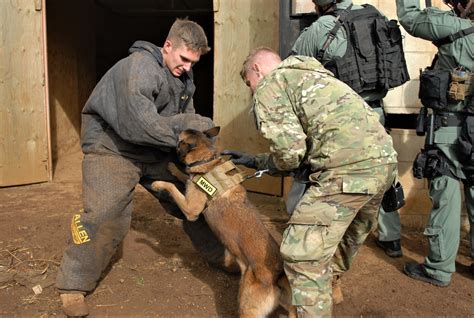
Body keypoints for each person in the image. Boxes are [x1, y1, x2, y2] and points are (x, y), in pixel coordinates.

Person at [56, 18, 233, 317]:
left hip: (154, 150)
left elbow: (185, 118)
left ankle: (224, 256)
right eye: (184, 59)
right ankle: (74, 283)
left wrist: (202, 153)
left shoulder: (183, 78)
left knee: (199, 197)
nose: (188, 67)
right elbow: (139, 126)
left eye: (194, 62)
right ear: (167, 46)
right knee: (104, 212)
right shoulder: (139, 66)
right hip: (113, 149)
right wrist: (189, 129)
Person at [225, 47, 398, 317]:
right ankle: (327, 290)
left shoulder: (271, 85)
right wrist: (257, 161)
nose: (252, 91)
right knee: (339, 244)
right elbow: (307, 146)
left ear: (257, 70)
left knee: (300, 253)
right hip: (383, 167)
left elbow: (291, 154)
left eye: (250, 83)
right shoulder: (315, 76)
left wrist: (274, 163)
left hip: (347, 170)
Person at [291, 0, 409, 260]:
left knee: (319, 171)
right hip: (376, 111)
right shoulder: (375, 14)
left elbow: (293, 63)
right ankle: (392, 238)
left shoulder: (323, 27)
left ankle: (303, 228)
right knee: (384, 175)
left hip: (341, 118)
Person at [396, 0, 474, 286]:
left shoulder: (455, 27)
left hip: (450, 131)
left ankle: (439, 269)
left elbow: (410, 16)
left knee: (447, 192)